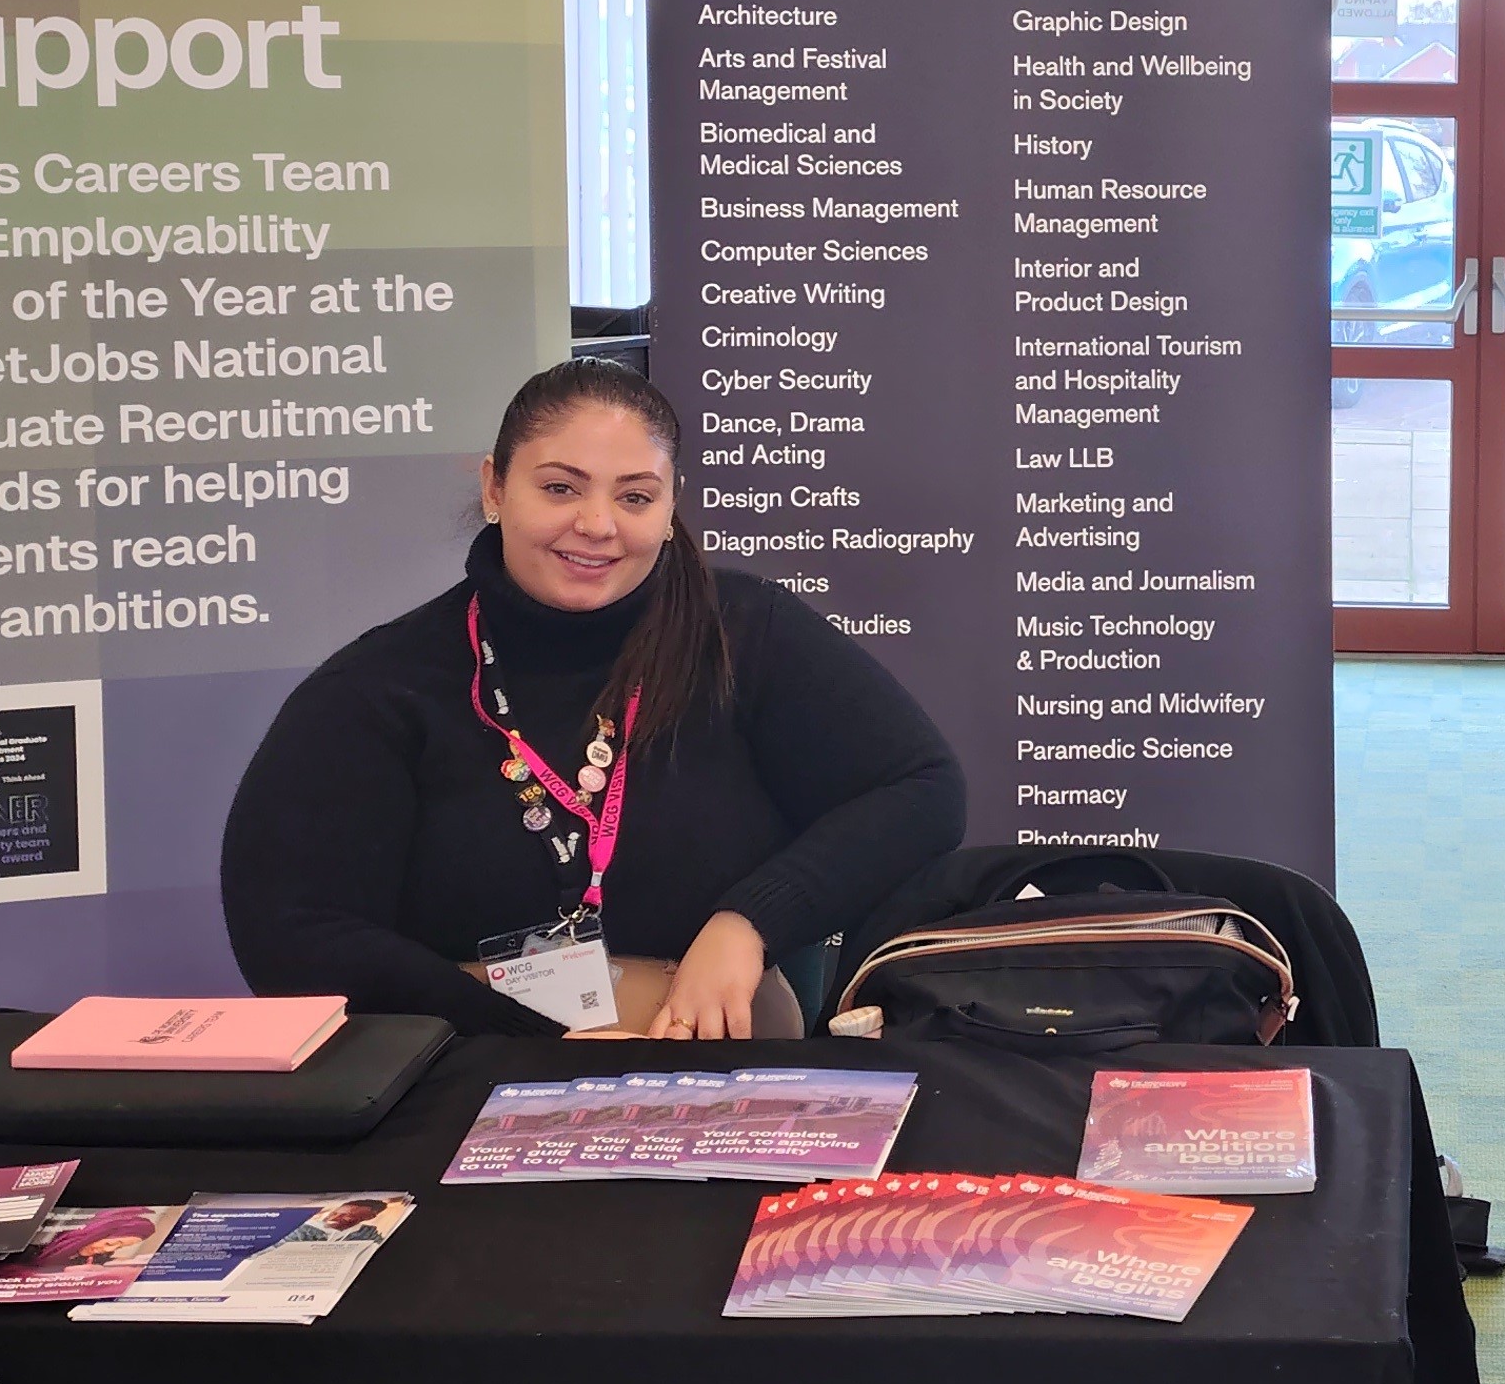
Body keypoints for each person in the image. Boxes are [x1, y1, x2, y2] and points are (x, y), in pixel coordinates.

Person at [222, 359, 965, 1039]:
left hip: (712, 1057)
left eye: (635, 496)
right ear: (493, 488)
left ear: (670, 508)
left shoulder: (742, 631)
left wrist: (749, 922)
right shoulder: (382, 686)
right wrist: (529, 1041)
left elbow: (920, 788)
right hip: (469, 1068)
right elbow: (291, 931)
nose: (598, 525)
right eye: (560, 488)